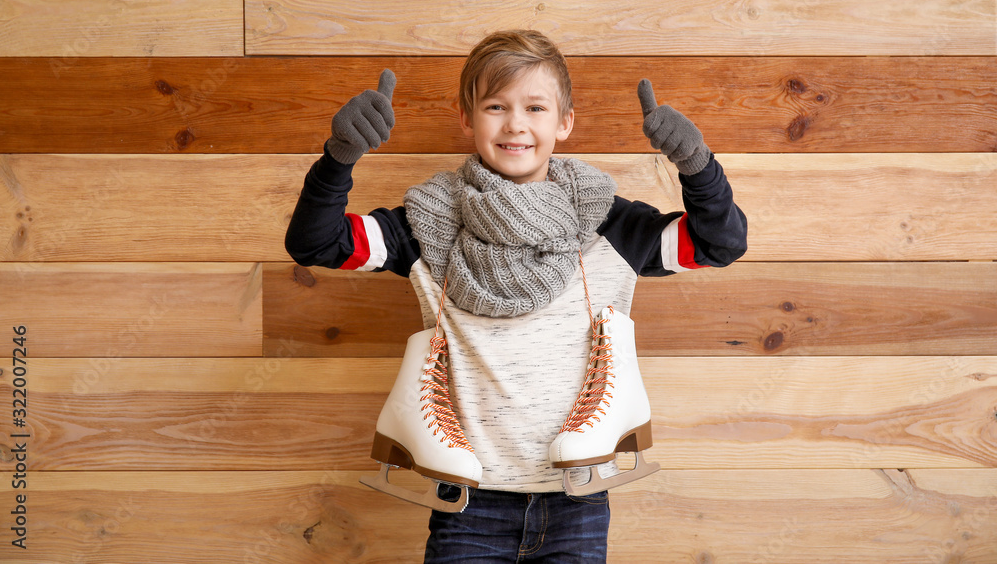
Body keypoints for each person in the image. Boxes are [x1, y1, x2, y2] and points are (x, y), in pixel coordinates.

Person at [284, 29, 748, 563]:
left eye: (535, 106)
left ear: (564, 122)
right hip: (468, 504)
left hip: (578, 499)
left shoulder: (611, 225)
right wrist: (339, 159)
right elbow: (315, 242)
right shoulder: (427, 226)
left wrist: (697, 165)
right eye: (496, 106)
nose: (516, 124)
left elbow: (720, 242)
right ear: (467, 119)